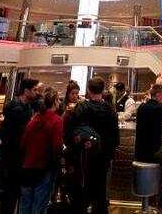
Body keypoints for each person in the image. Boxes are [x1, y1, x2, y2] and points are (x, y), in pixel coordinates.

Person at [66, 76, 119, 214]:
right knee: (100, 193)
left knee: (81, 194)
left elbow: (69, 133)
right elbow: (115, 139)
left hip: (83, 158)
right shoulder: (110, 110)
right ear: (103, 90)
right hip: (103, 158)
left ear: (88, 90)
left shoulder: (81, 108)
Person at [0, 78, 39, 210]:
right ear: (26, 90)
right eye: (34, 90)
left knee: (13, 192)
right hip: (11, 155)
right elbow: (15, 133)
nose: (36, 93)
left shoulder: (26, 106)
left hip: (16, 154)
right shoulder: (16, 108)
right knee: (10, 192)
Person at [134, 84, 162, 209]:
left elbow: (147, 126)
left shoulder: (141, 107)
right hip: (153, 153)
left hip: (139, 152)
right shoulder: (159, 108)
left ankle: (152, 197)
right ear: (159, 95)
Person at [19, 87, 63, 214]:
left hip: (27, 167)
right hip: (44, 168)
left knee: (25, 203)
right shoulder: (57, 120)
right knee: (39, 204)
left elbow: (23, 144)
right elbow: (57, 147)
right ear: (55, 101)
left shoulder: (34, 119)